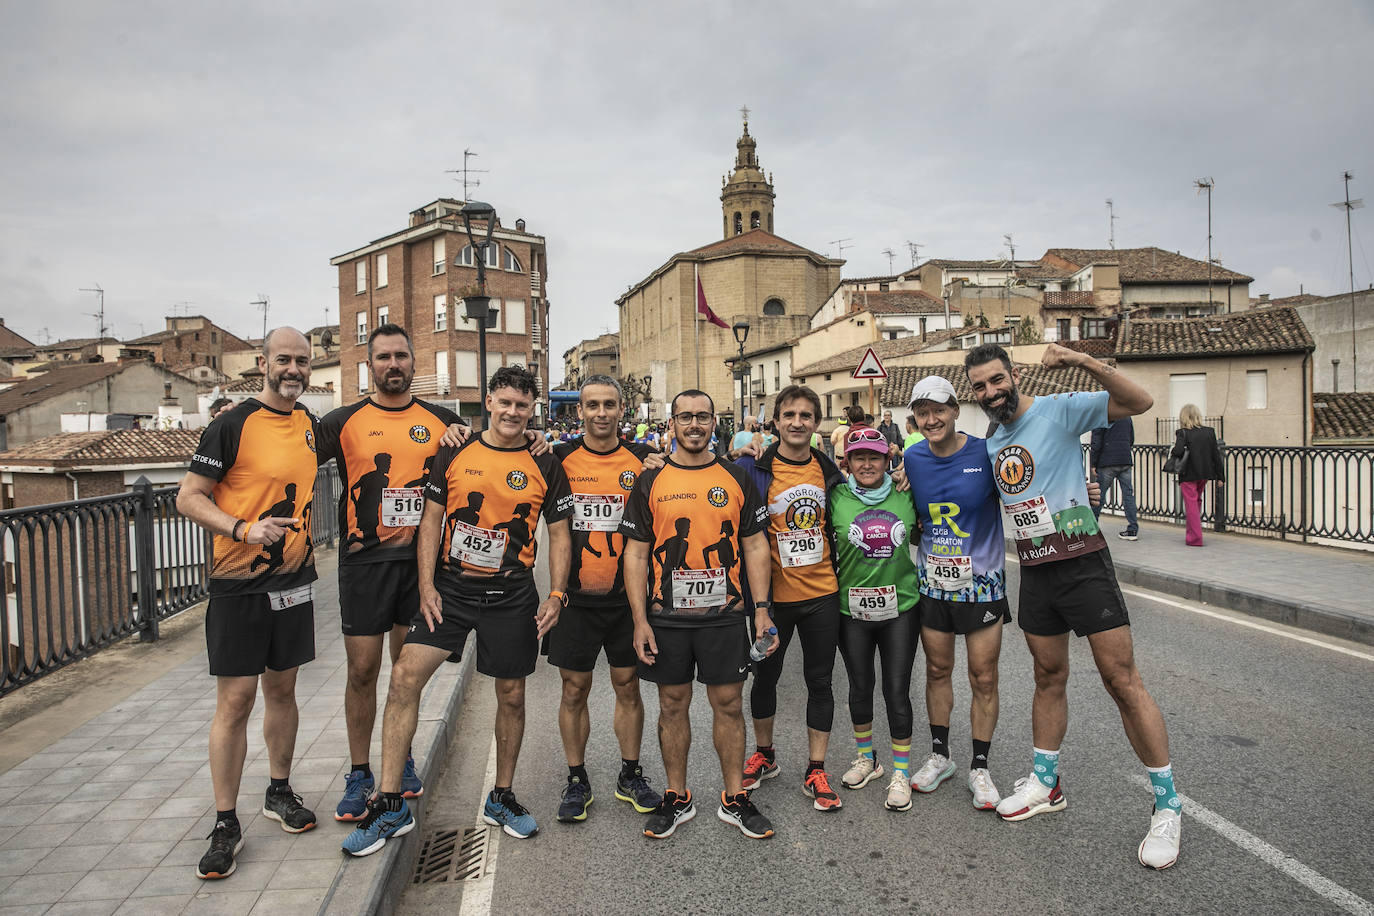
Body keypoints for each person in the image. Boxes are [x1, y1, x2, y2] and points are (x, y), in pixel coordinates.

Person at [964, 342, 1182, 870]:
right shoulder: (992, 444)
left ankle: (1168, 804)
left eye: (997, 380)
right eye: (980, 387)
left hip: (1083, 562)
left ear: (1013, 376)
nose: (991, 392)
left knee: (1121, 680)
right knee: (1047, 675)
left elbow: (1141, 401)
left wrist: (1083, 361)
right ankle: (1046, 781)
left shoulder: (1058, 410)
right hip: (1036, 570)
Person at [342, 366, 572, 855]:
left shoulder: (545, 460)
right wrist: (425, 585)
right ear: (489, 401)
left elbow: (559, 533)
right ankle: (390, 804)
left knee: (511, 695)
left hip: (512, 595)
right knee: (405, 676)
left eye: (522, 406)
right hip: (451, 590)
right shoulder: (453, 447)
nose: (512, 412)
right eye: (505, 402)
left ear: (533, 411)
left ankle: (502, 797)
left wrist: (556, 595)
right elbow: (431, 519)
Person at [176, 327, 320, 880]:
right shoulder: (229, 424)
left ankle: (278, 792)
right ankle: (224, 822)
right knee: (235, 702)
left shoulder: (309, 424)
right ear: (263, 362)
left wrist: (450, 426)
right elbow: (187, 496)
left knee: (282, 690)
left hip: (295, 581)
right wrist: (242, 527)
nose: (293, 369)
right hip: (238, 585)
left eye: (302, 361)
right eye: (283, 359)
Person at [315, 324, 465, 821]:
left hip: (419, 565)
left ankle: (398, 764)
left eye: (402, 355)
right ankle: (360, 774)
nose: (393, 365)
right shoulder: (342, 421)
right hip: (364, 563)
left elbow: (490, 453)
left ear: (414, 361)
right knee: (363, 671)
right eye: (384, 357)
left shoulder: (443, 420)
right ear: (370, 365)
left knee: (406, 674)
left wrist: (534, 438)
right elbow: (288, 458)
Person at [622, 390, 777, 839]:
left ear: (714, 423)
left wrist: (762, 610)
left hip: (725, 615)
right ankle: (677, 796)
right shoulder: (650, 479)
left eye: (703, 417)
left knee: (728, 705)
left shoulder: (734, 475)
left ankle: (734, 798)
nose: (694, 424)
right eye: (685, 417)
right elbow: (635, 555)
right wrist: (639, 620)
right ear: (671, 423)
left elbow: (754, 546)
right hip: (666, 617)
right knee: (673, 705)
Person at [548, 375, 662, 823]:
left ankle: (630, 774)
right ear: (580, 411)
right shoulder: (558, 458)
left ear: (621, 410)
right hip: (575, 597)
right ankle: (576, 778)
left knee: (627, 685)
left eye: (609, 405)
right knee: (574, 689)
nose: (600, 413)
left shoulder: (643, 460)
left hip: (626, 600)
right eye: (592, 405)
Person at [733, 385, 845, 812]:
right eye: (789, 415)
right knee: (764, 679)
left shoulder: (830, 472)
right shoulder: (754, 472)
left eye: (806, 415)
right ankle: (765, 755)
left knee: (820, 681)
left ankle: (816, 768)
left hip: (822, 595)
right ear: (775, 421)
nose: (797, 422)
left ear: (816, 423)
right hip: (771, 601)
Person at [901, 376, 1010, 813]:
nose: (932, 419)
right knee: (937, 670)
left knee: (983, 676)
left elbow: (1026, 490)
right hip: (933, 585)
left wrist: (1085, 496)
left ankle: (980, 766)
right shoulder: (911, 458)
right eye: (923, 412)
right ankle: (940, 756)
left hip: (982, 584)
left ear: (955, 410)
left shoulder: (985, 453)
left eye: (939, 410)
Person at [830, 426, 922, 812]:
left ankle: (901, 771)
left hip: (900, 608)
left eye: (875, 457)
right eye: (859, 457)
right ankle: (867, 759)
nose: (867, 464)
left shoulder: (908, 492)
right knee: (859, 686)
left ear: (889, 460)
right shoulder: (834, 496)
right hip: (852, 611)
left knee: (896, 691)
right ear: (846, 463)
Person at [1171, 405, 1225, 547]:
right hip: (1204, 473)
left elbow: (1177, 452)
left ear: (1183, 417)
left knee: (1191, 505)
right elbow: (1216, 455)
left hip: (1188, 473)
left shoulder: (1182, 433)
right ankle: (1191, 533)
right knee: (1197, 502)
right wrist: (1221, 476)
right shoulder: (1209, 432)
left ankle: (1195, 538)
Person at [1091, 417, 1139, 541]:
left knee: (1098, 495)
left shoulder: (1102, 416)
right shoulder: (1127, 416)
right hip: (1125, 459)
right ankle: (1133, 529)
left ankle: (1092, 528)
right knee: (1128, 495)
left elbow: (1096, 442)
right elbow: (1131, 438)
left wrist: (1093, 463)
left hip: (1107, 461)